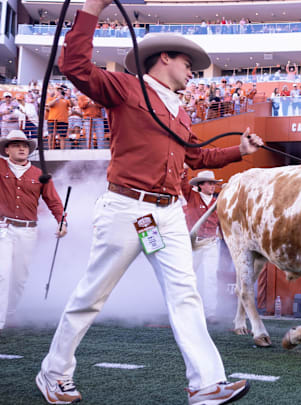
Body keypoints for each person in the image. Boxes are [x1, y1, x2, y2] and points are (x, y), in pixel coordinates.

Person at [36, 2, 263, 403]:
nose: (193, 70)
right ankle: (54, 373)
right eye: (187, 62)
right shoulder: (125, 87)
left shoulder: (181, 110)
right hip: (127, 208)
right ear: (164, 59)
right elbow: (74, 67)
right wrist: (92, 7)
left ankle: (206, 383)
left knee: (184, 293)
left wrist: (239, 151)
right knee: (91, 297)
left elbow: (197, 157)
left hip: (167, 212)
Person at [0, 130, 67, 334]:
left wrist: (62, 221)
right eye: (16, 144)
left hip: (28, 231)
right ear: (7, 149)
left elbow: (53, 201)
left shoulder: (39, 174)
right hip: (2, 228)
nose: (22, 148)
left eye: (25, 145)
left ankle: (9, 313)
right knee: (2, 274)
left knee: (19, 278)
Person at [182, 170, 223, 323]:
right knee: (187, 276)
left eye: (214, 183)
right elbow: (182, 183)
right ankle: (184, 308)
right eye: (210, 183)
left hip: (211, 243)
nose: (213, 186)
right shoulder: (192, 196)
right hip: (193, 242)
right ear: (200, 185)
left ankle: (209, 313)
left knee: (210, 277)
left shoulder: (218, 202)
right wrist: (184, 169)